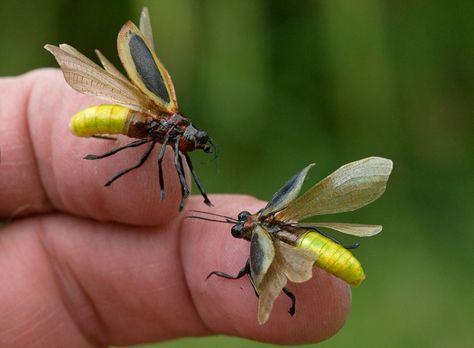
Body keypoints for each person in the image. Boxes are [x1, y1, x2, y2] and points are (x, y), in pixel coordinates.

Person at [0, 69, 350, 347]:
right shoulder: (167, 128)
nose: (194, 146)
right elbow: (143, 161)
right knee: (145, 163)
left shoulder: (172, 133)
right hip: (101, 121)